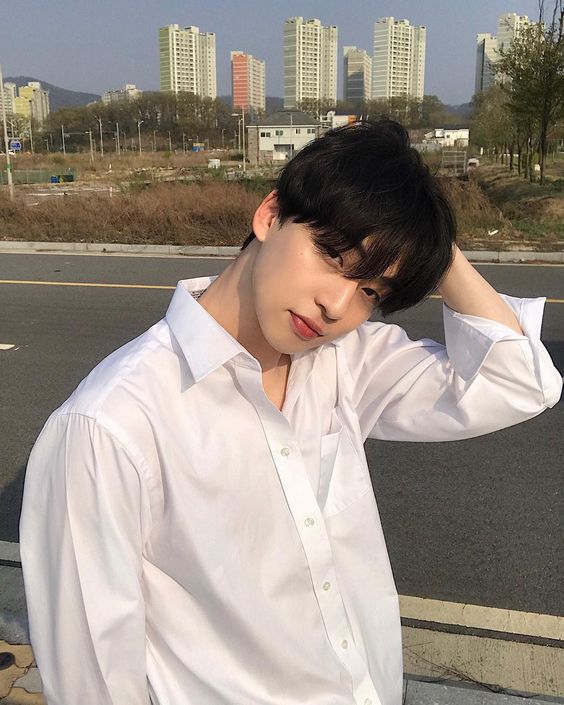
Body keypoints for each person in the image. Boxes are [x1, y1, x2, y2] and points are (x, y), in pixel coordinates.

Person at [20, 120, 562, 705]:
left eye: (372, 292)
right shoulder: (111, 425)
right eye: (334, 255)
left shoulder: (345, 361)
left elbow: (519, 383)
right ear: (270, 214)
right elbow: (92, 681)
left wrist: (424, 233)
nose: (337, 304)